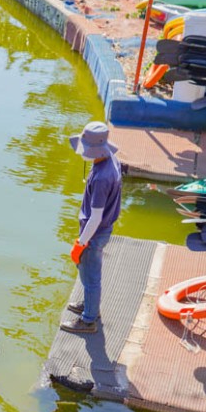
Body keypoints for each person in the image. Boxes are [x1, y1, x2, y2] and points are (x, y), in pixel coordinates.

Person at [62, 121, 122, 334]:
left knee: (90, 275)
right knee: (87, 272)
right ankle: (89, 305)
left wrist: (81, 243)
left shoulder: (101, 178)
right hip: (102, 229)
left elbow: (95, 217)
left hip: (94, 232)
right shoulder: (111, 161)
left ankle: (89, 320)